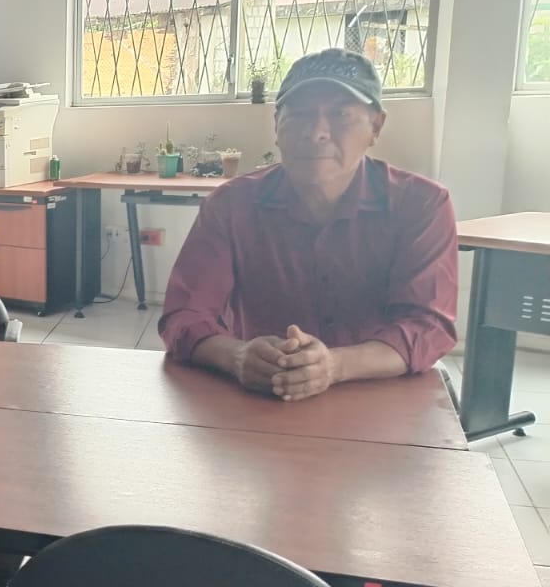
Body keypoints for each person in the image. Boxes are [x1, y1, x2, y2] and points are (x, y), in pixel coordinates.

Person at [159, 48, 458, 399]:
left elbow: (428, 325)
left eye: (340, 115)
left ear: (375, 126)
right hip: (262, 396)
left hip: (379, 396)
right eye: (299, 114)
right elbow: (184, 315)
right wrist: (237, 356)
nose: (316, 132)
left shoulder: (420, 205)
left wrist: (335, 366)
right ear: (277, 125)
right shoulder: (230, 205)